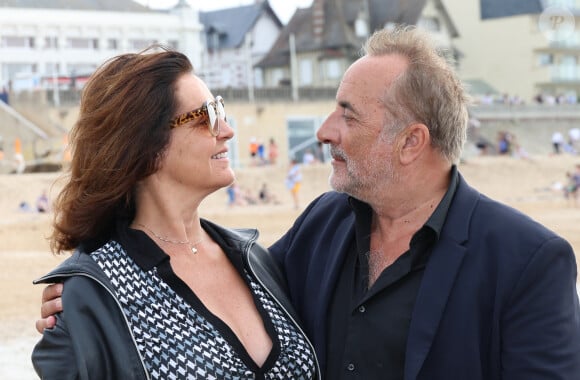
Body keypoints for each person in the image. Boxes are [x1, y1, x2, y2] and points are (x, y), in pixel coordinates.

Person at [37, 27, 580, 379]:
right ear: (145, 145)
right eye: (206, 114)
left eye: (349, 115)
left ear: (412, 142)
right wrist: (85, 299)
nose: (324, 131)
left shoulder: (528, 262)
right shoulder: (320, 226)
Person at [31, 47, 318, 379]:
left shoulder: (254, 259)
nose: (226, 129)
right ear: (147, 147)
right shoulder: (94, 294)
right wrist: (84, 307)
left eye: (220, 108)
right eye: (205, 116)